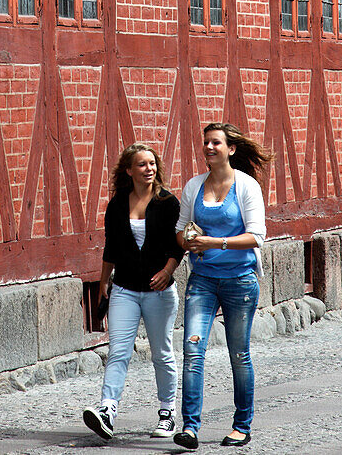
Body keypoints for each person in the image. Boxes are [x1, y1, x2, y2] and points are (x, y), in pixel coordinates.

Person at [173, 122, 272, 450]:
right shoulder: (193, 187)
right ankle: (190, 427)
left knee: (239, 354)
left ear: (231, 149)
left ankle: (242, 426)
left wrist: (213, 242)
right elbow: (180, 229)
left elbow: (257, 236)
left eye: (216, 143)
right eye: (206, 143)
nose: (209, 148)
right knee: (192, 350)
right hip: (201, 281)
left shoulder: (246, 187)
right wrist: (188, 242)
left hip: (240, 283)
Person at [82, 142, 184, 442]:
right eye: (142, 164)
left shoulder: (168, 203)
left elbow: (178, 244)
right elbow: (111, 246)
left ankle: (167, 413)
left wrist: (168, 271)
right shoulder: (117, 204)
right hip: (124, 289)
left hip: (159, 291)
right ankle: (107, 411)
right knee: (118, 352)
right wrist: (103, 282)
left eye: (152, 163)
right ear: (129, 170)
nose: (149, 168)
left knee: (162, 353)